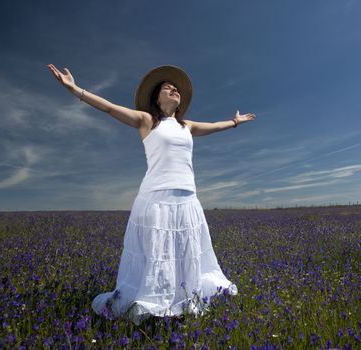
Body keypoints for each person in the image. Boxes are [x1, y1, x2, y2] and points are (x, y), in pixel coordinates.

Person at [47, 63, 256, 325]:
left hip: (187, 197)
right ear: (157, 98)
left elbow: (214, 126)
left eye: (176, 88)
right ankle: (155, 306)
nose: (174, 89)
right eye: (168, 88)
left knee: (185, 251)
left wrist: (236, 121)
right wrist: (75, 89)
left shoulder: (187, 126)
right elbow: (109, 107)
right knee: (158, 253)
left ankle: (183, 300)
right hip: (156, 198)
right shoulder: (147, 121)